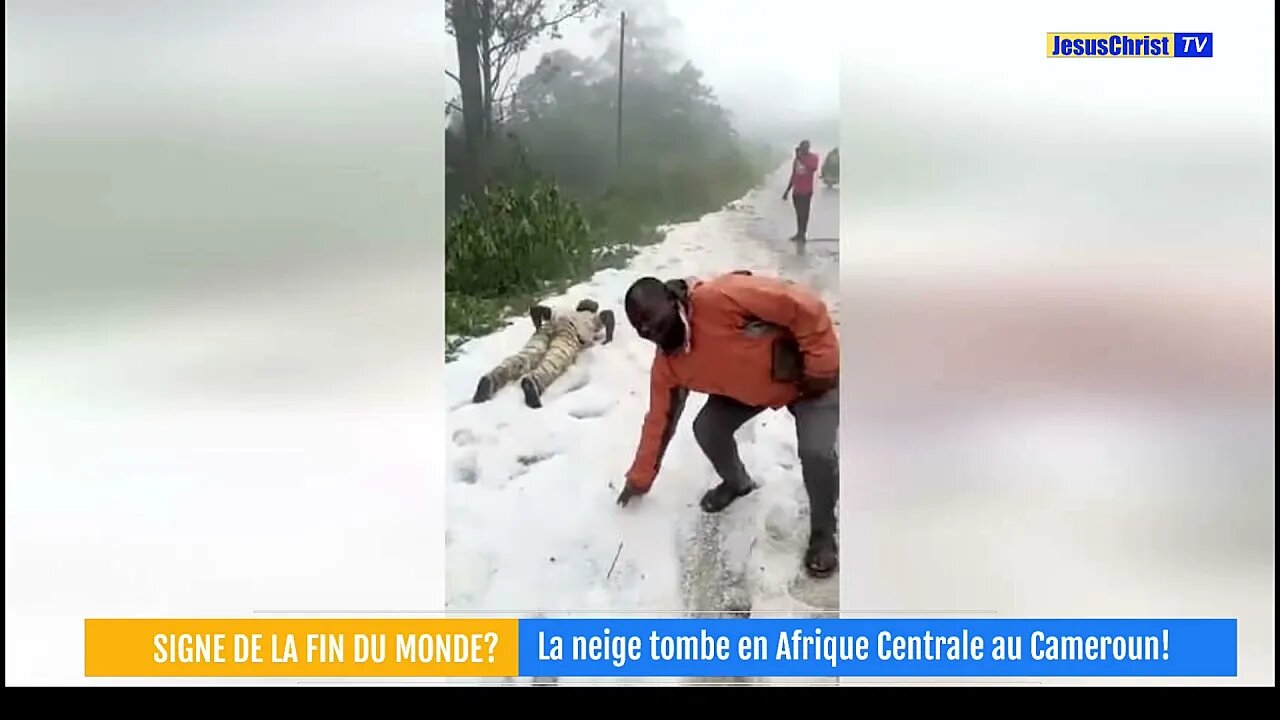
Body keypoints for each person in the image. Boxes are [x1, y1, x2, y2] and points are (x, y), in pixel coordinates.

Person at [614, 271, 841, 578]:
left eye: (650, 316)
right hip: (749, 390)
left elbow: (804, 305)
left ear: (671, 299)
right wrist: (639, 479)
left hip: (808, 379)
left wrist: (822, 365)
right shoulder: (668, 366)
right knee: (707, 428)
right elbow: (659, 421)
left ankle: (824, 532)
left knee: (816, 454)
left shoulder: (719, 298)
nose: (647, 328)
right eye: (639, 325)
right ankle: (737, 482)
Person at [473, 299, 615, 408]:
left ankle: (495, 377)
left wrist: (538, 328)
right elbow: (608, 315)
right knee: (555, 359)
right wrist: (609, 337)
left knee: (526, 356)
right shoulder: (591, 318)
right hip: (570, 334)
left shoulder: (563, 311)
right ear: (594, 310)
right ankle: (535, 380)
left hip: (548, 328)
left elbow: (537, 310)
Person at [782, 140, 820, 241]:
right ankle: (799, 233)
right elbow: (794, 175)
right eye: (802, 147)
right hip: (796, 191)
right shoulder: (796, 161)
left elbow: (813, 168)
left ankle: (803, 234)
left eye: (806, 147)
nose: (804, 149)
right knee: (799, 213)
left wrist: (802, 159)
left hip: (806, 191)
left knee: (805, 213)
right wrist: (787, 190)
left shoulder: (813, 157)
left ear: (808, 148)